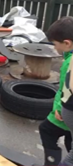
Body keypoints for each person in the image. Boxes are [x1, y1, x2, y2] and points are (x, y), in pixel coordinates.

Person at [48, 16, 73, 166]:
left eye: (55, 44)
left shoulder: (70, 63)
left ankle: (52, 162)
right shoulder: (69, 56)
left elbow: (65, 88)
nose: (54, 48)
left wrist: (58, 107)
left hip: (67, 111)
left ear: (67, 43)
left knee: (46, 130)